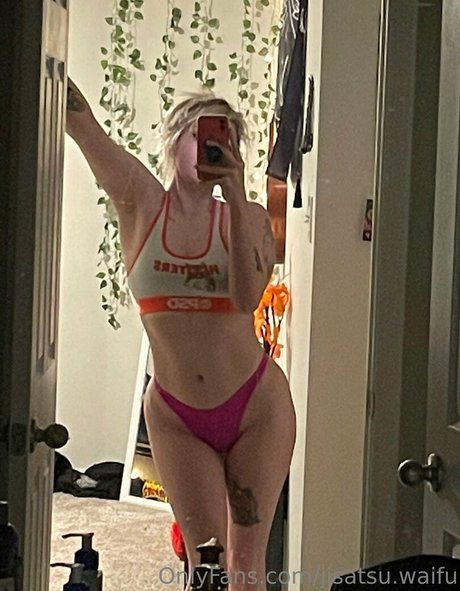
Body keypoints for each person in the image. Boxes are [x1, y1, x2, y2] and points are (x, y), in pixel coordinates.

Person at [66, 78, 296, 591]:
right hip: (176, 416)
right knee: (206, 566)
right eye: (203, 133)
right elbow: (83, 127)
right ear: (175, 141)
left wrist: (235, 193)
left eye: (226, 137)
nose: (214, 146)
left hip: (257, 409)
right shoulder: (140, 202)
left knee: (247, 567)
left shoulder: (249, 219)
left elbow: (247, 298)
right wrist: (42, 57)